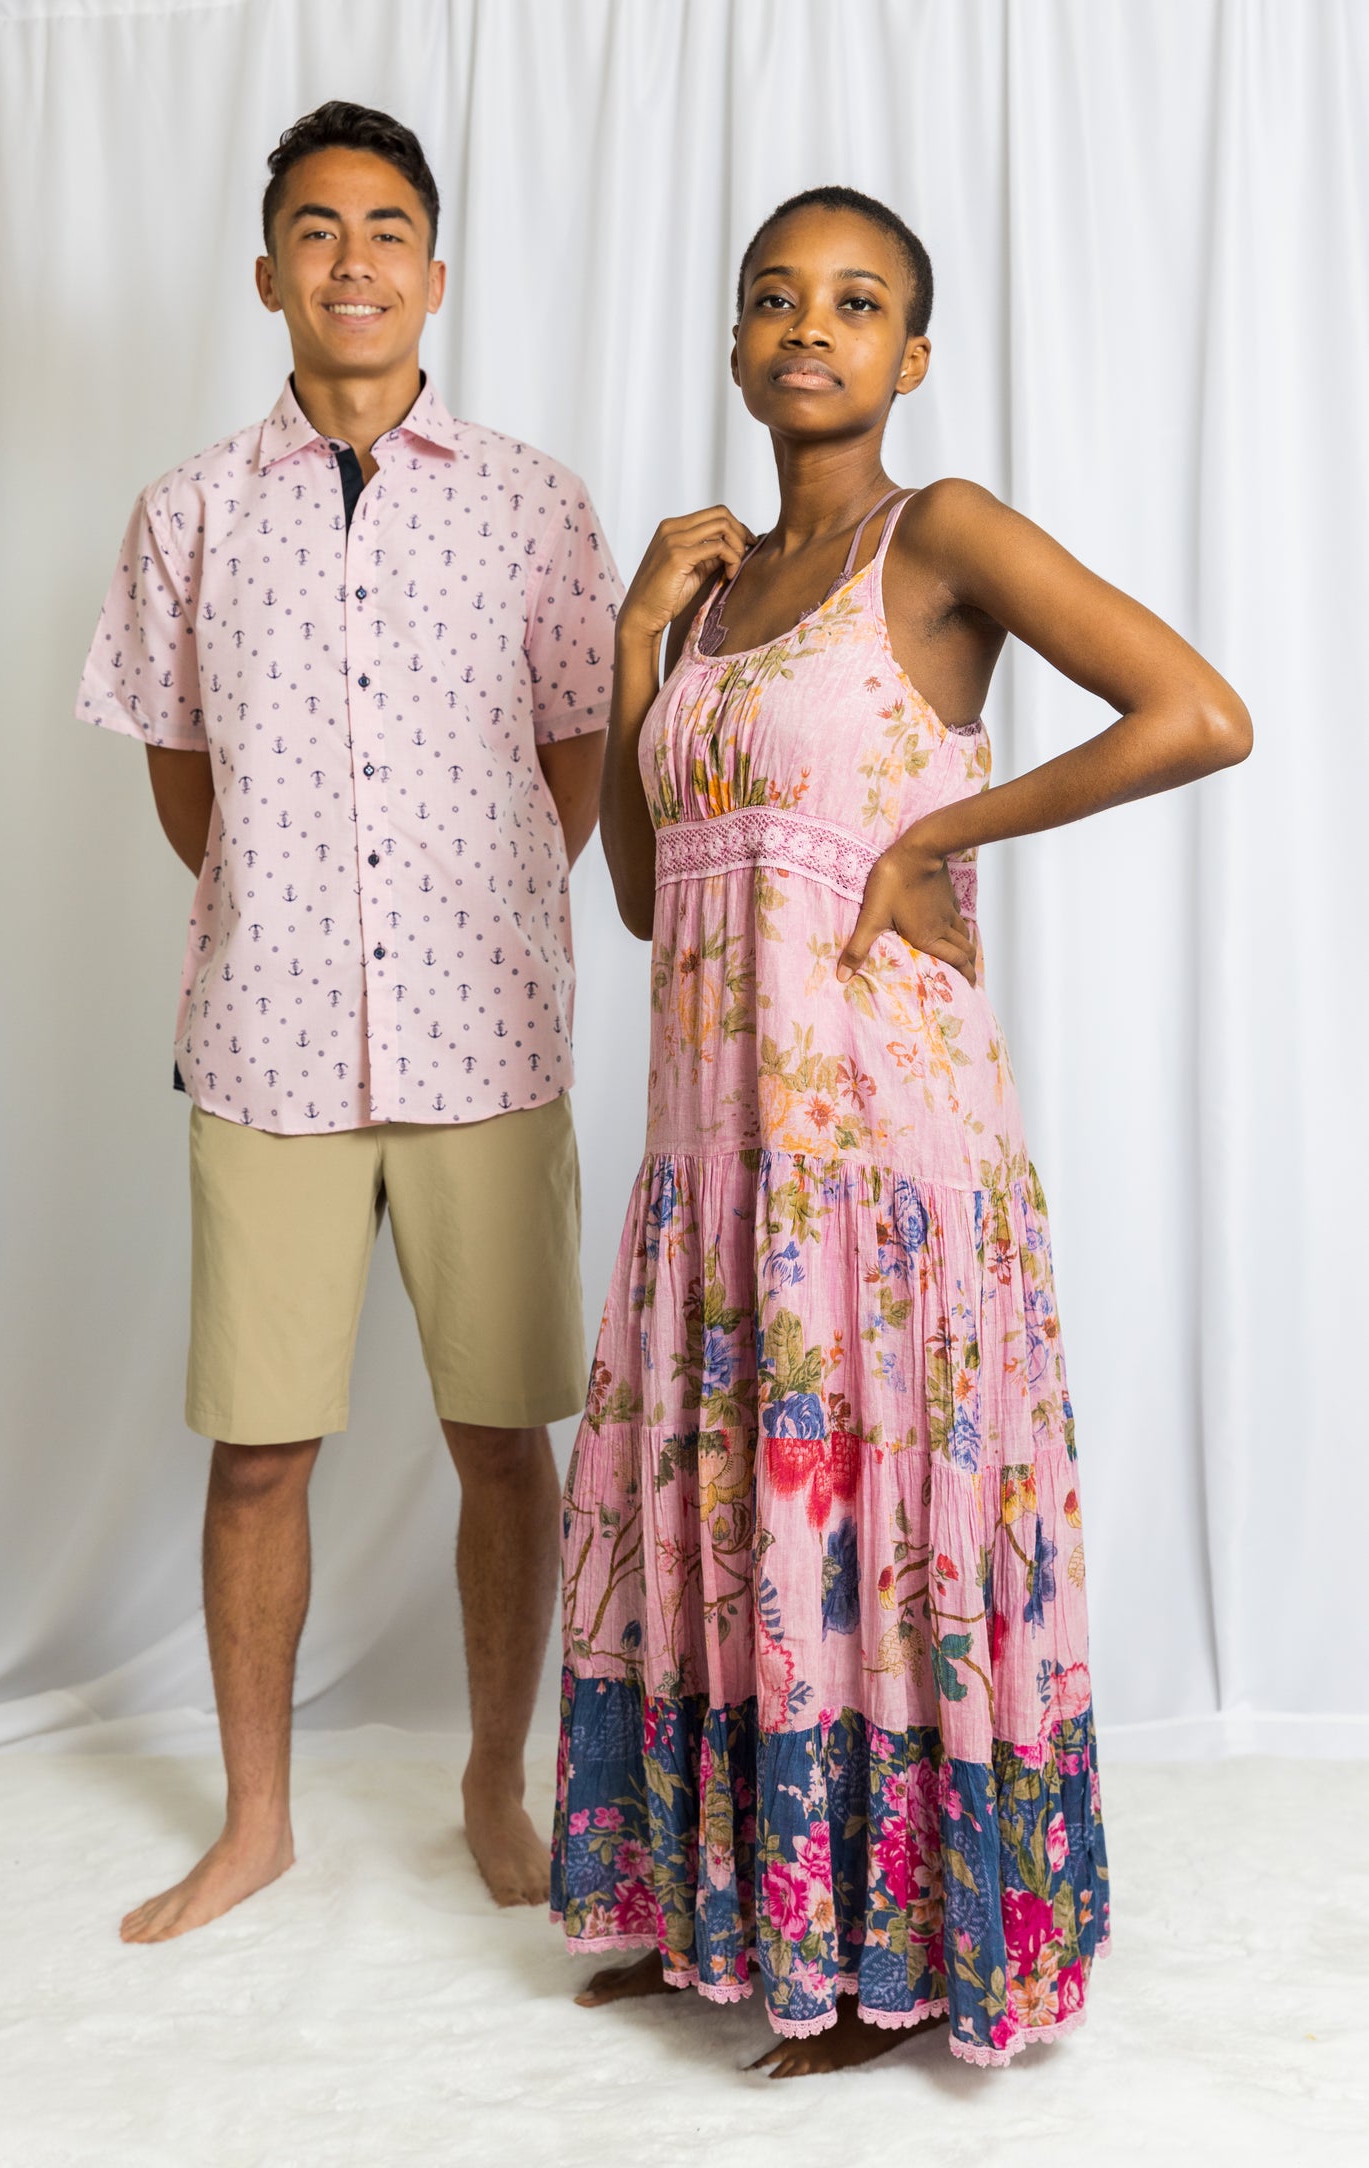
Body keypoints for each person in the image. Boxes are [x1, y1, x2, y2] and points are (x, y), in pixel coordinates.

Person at [552, 184, 1250, 2075]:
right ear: (732, 346)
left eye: (855, 302)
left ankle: (897, 1950)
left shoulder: (933, 536)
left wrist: (942, 830)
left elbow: (1197, 713)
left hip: (875, 1158)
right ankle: (738, 1909)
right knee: (736, 1523)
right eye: (775, 297)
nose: (810, 325)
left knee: (872, 1540)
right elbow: (646, 894)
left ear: (910, 355)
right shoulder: (706, 594)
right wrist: (633, 645)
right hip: (717, 1167)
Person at [77, 101, 620, 1941]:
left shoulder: (537, 503)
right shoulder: (187, 513)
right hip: (267, 1044)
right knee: (257, 1451)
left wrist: (464, 918)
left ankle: (493, 1787)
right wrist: (301, 917)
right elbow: (185, 781)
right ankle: (256, 1823)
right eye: (317, 229)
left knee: (503, 1440)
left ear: (435, 274)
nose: (354, 260)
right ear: (268, 274)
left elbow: (571, 765)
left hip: (489, 1044)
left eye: (387, 228)